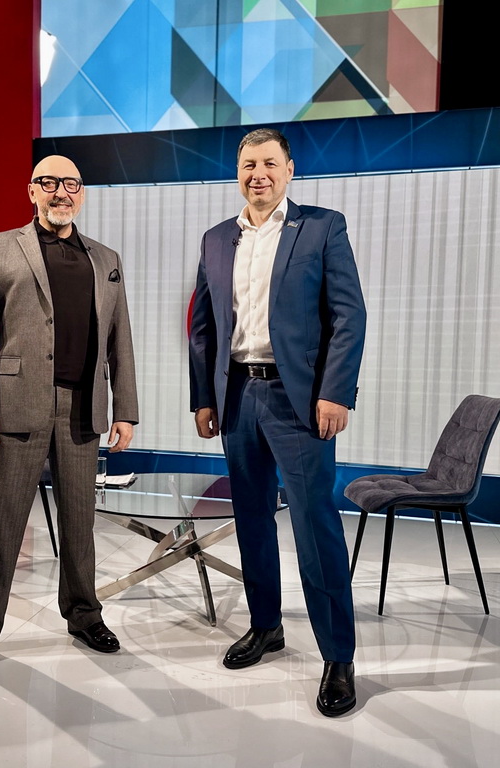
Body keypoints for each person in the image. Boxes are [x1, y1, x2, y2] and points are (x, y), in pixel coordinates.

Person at [188, 128, 366, 716]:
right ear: (237, 172)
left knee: (315, 526)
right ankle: (266, 625)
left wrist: (335, 392)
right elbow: (203, 327)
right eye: (248, 164)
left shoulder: (322, 227)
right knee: (251, 521)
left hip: (300, 402)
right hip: (238, 396)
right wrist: (203, 398)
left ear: (289, 169)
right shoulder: (217, 238)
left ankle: (338, 656)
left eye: (269, 163)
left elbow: (349, 315)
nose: (257, 173)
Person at [0, 155, 139, 677]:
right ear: (32, 191)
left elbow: (120, 339)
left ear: (83, 193)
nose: (62, 192)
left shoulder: (105, 259)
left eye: (71, 184)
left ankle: (84, 615)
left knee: (80, 523)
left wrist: (125, 408)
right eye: (50, 182)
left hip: (83, 409)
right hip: (14, 407)